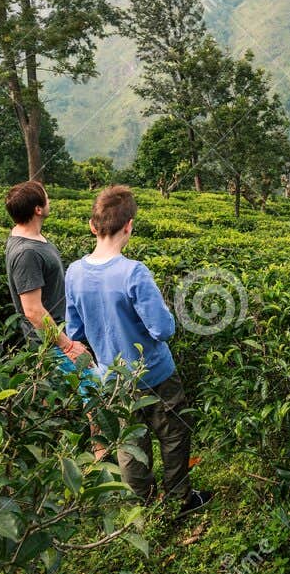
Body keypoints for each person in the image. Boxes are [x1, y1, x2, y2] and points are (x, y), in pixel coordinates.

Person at [65, 185, 208, 512]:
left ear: (92, 225)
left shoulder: (74, 272)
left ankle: (142, 507)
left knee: (129, 445)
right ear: (129, 225)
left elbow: (73, 332)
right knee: (173, 436)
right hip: (155, 373)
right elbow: (162, 329)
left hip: (111, 379)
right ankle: (178, 500)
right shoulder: (133, 272)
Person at [4, 181, 87, 375]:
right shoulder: (27, 253)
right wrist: (67, 346)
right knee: (84, 394)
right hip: (52, 345)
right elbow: (32, 310)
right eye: (47, 197)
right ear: (38, 209)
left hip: (59, 334)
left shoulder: (31, 237)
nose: (50, 200)